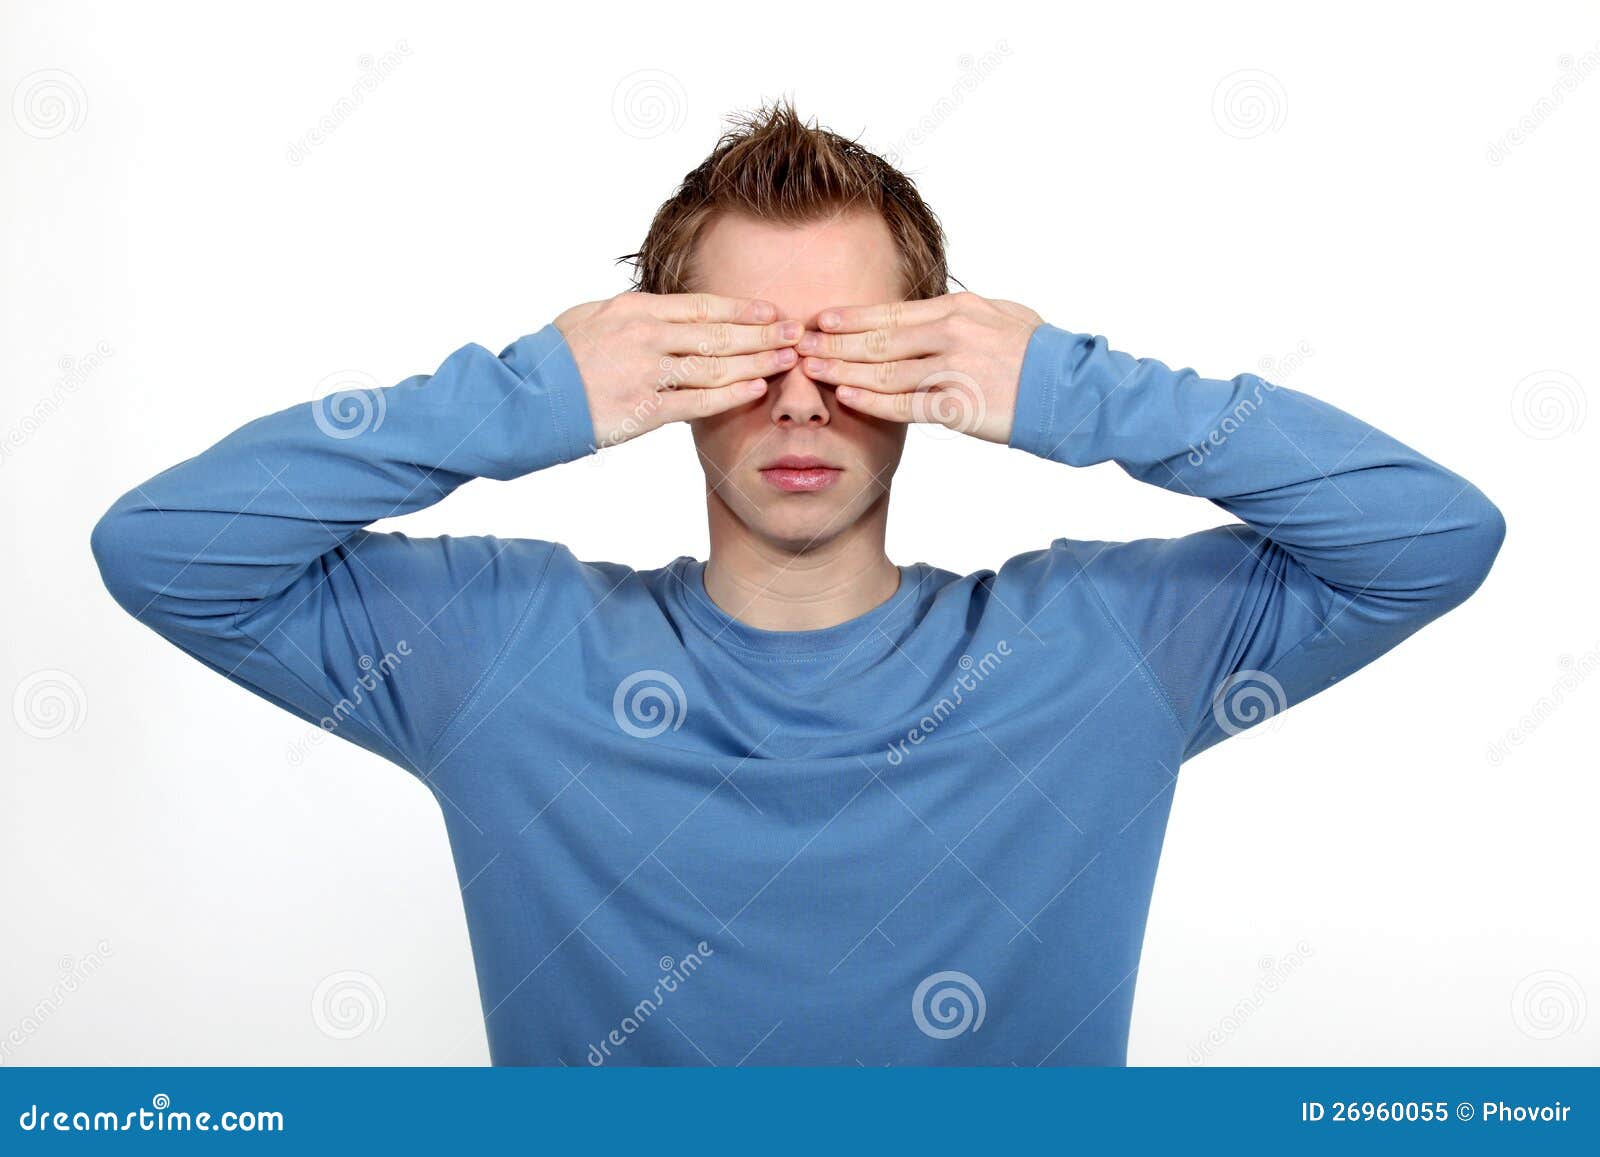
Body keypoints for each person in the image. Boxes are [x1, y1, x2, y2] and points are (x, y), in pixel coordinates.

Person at [90, 102, 1505, 1065]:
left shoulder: (1104, 649)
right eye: (740, 352)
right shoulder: (501, 655)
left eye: (855, 351)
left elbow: (1430, 535)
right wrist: (529, 396)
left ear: (936, 371)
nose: (802, 405)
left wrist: (1073, 385)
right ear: (658, 376)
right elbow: (168, 551)